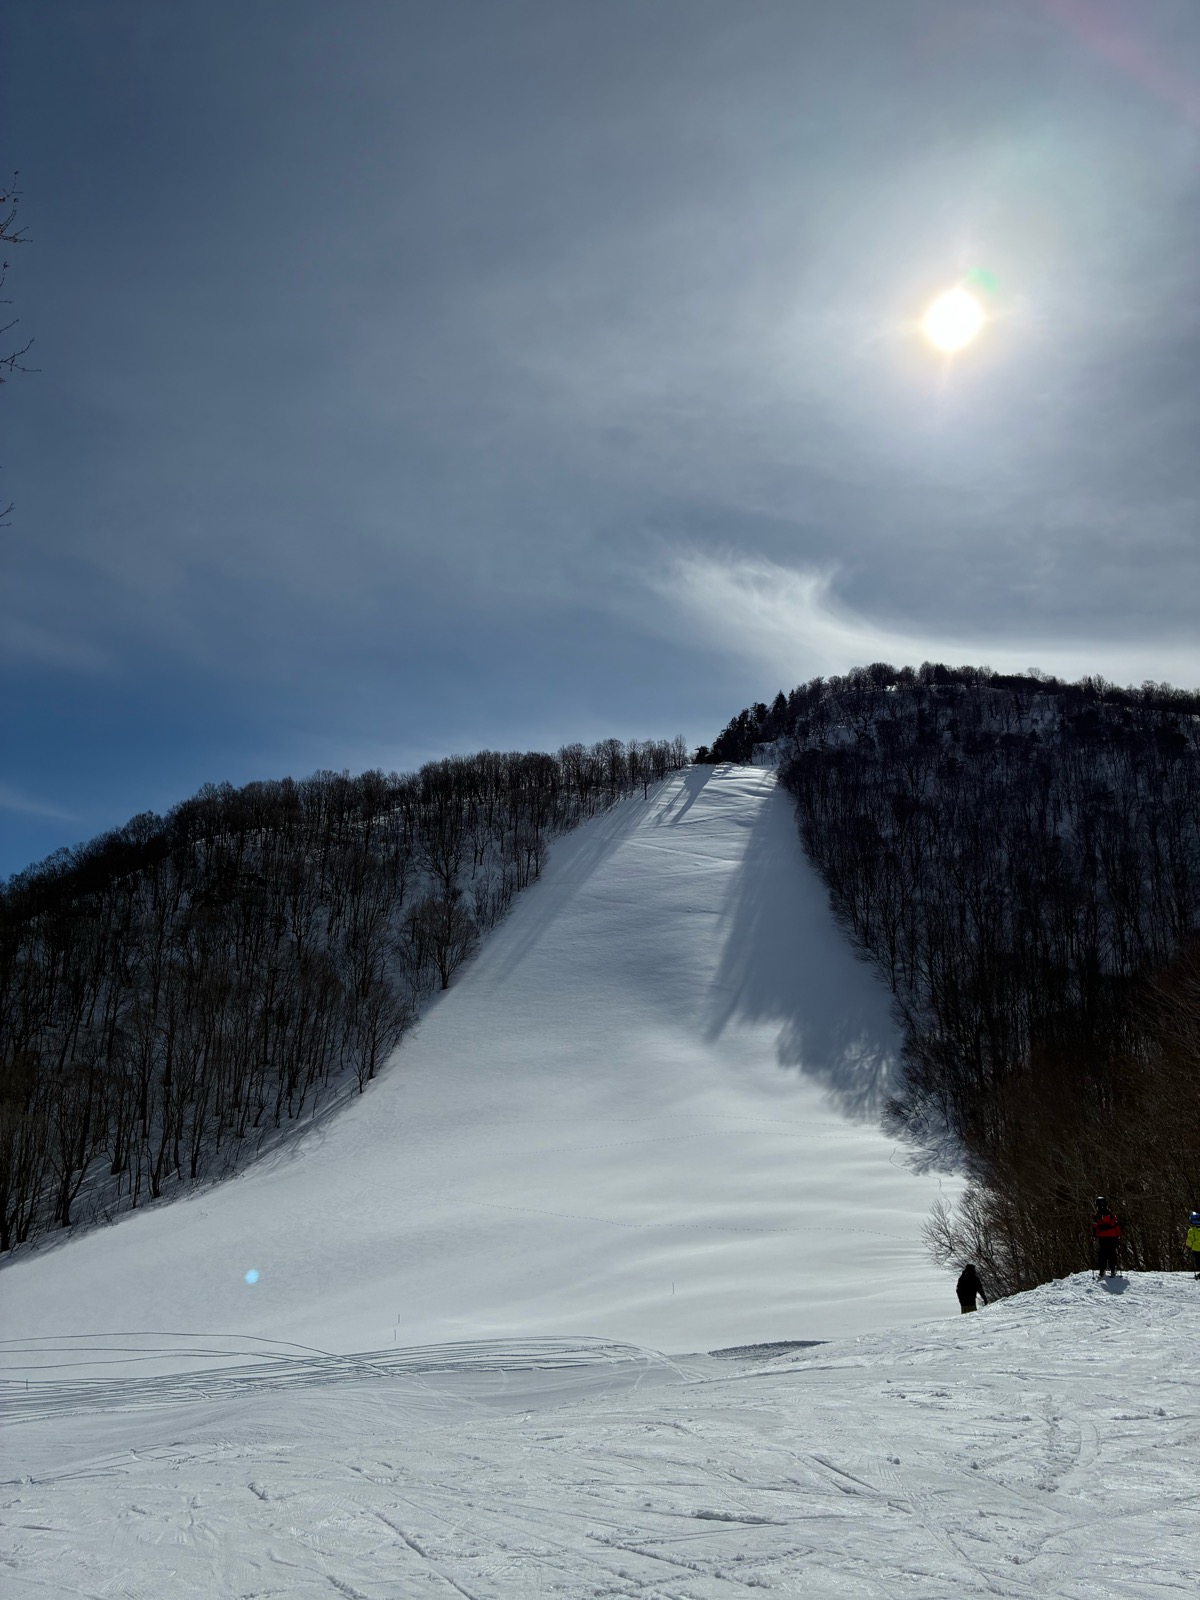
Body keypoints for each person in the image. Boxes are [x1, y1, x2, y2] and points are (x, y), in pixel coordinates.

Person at [1092, 1197, 1122, 1278]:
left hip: (1102, 1237)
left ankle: (1102, 1271)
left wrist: (1094, 1236)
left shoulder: (1097, 1215)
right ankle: (1113, 1269)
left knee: (1102, 1253)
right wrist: (1118, 1236)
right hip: (1113, 1236)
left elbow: (1095, 1227)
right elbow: (1117, 1226)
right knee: (1112, 1253)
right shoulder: (1111, 1215)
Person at [1187, 1211, 1200, 1280]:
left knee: (1198, 1262)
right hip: (1196, 1249)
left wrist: (1189, 1246)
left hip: (1196, 1249)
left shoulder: (1192, 1231)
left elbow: (1190, 1239)